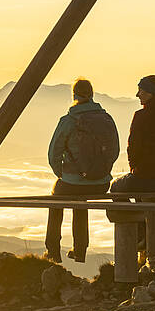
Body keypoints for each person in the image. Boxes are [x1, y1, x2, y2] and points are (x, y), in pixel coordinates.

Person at [44, 78, 118, 262]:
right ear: (92, 94)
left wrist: (62, 174)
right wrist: (101, 171)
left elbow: (54, 152)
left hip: (72, 182)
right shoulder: (106, 119)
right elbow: (115, 150)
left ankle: (52, 251)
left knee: (56, 201)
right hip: (101, 183)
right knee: (80, 200)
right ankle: (80, 251)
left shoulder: (69, 121)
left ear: (74, 95)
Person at [109, 74, 155, 247]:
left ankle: (141, 230)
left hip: (147, 177)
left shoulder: (141, 116)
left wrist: (135, 170)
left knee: (116, 188)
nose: (137, 95)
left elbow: (133, 148)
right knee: (142, 190)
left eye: (141, 90)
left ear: (151, 93)